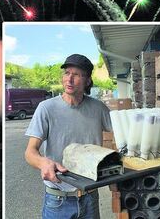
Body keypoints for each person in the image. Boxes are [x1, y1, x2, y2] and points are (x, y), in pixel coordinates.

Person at [24, 54, 112, 219]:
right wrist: (43, 162)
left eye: (76, 75)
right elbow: (30, 152)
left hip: (90, 197)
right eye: (67, 73)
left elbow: (122, 132)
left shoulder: (98, 108)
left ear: (87, 81)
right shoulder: (46, 108)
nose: (69, 79)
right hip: (58, 200)